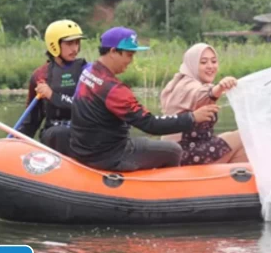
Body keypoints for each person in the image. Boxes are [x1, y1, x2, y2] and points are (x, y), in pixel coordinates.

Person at [69, 27, 218, 172]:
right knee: (173, 150)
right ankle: (167, 191)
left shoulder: (88, 72)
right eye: (129, 55)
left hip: (85, 150)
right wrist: (192, 118)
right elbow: (150, 124)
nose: (131, 61)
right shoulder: (113, 90)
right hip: (109, 155)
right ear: (113, 52)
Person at [160, 43, 248, 165]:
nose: (210, 66)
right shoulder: (185, 86)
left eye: (213, 61)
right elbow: (201, 94)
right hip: (183, 154)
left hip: (197, 148)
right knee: (244, 135)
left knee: (238, 144)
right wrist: (220, 87)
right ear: (192, 65)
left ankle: (235, 180)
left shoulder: (192, 83)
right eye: (203, 62)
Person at [17, 19, 88, 155]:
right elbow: (32, 120)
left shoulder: (88, 72)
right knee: (60, 133)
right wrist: (13, 142)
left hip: (82, 134)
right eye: (69, 43)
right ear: (54, 45)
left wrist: (52, 96)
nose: (75, 48)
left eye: (77, 43)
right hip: (55, 135)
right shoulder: (40, 76)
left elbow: (86, 107)